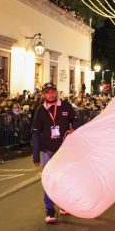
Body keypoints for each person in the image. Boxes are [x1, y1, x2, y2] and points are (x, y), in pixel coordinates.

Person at [32, 82, 83, 223]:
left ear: (56, 92)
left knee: (65, 179)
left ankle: (64, 204)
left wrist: (75, 128)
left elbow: (76, 120)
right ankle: (49, 209)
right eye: (47, 92)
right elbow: (35, 134)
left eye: (53, 91)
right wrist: (36, 155)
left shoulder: (65, 106)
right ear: (43, 95)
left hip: (65, 151)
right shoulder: (40, 111)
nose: (51, 94)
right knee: (49, 181)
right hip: (48, 152)